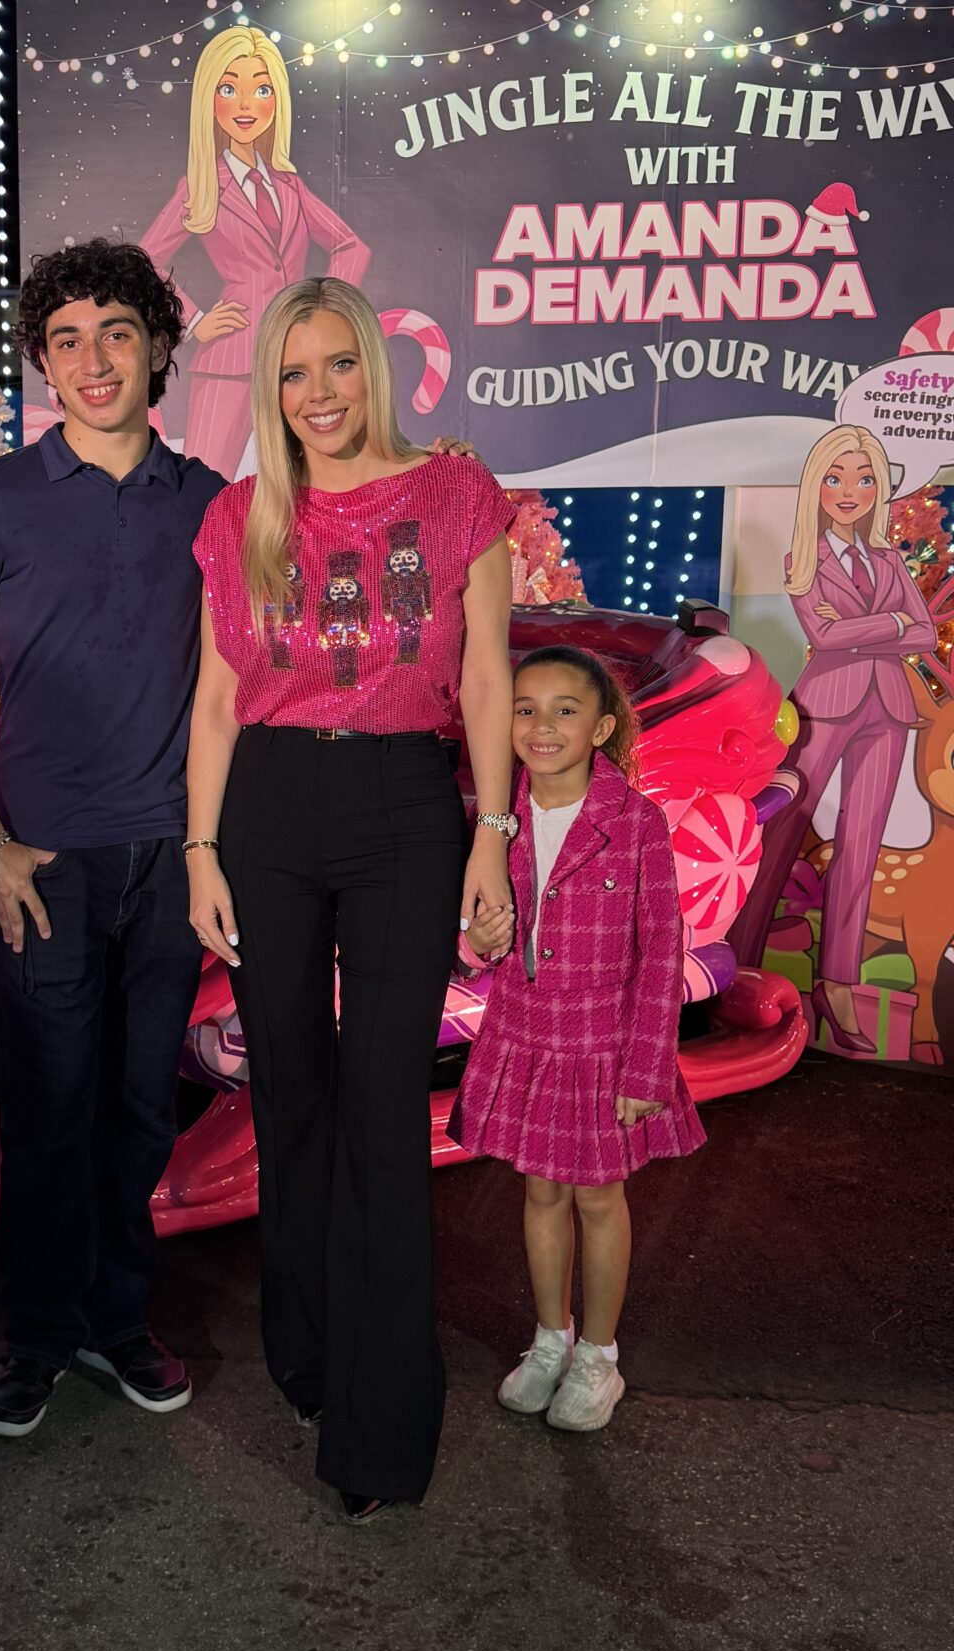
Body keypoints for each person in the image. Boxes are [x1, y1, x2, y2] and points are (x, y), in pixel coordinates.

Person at [185, 277, 517, 1523]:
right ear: (268, 388)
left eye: (335, 365)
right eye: (291, 371)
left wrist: (492, 836)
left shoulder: (456, 493)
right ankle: (307, 1354)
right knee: (289, 1090)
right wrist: (200, 849)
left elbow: (486, 679)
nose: (316, 393)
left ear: (371, 367)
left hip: (403, 808)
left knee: (382, 1107)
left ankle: (380, 1427)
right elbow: (216, 700)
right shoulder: (239, 515)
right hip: (266, 809)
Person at [0, 240, 223, 1439]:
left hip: (168, 856)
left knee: (141, 1107)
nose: (94, 360)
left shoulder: (210, 501)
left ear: (159, 348)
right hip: (39, 859)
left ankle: (115, 1319)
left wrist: (211, 846)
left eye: (118, 333)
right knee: (45, 1106)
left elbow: (235, 688)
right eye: (67, 340)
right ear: (43, 362)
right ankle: (38, 1333)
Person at [451, 646, 704, 1433]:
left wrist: (646, 1067)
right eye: (525, 708)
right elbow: (478, 935)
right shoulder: (497, 820)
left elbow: (662, 950)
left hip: (605, 1044)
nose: (542, 725)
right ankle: (550, 1340)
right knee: (540, 1193)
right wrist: (479, 941)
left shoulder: (635, 821)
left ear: (599, 728)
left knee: (598, 1198)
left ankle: (599, 1356)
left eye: (565, 709)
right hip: (525, 1034)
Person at [728, 425, 936, 1054]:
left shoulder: (890, 561)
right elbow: (825, 637)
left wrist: (870, 627)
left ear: (879, 489)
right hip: (823, 706)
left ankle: (838, 983)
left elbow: (925, 634)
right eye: (836, 477)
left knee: (861, 847)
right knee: (780, 831)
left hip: (888, 707)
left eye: (864, 478)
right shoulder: (803, 558)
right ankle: (739, 964)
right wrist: (892, 623)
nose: (850, 491)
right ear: (817, 486)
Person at [141, 25, 370, 479]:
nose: (246, 105)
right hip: (229, 360)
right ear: (209, 99)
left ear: (276, 101)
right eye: (229, 89)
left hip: (294, 363)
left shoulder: (289, 185)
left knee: (309, 487)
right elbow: (145, 260)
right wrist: (196, 320)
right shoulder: (203, 185)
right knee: (204, 487)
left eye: (261, 89)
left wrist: (321, 311)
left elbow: (350, 246)